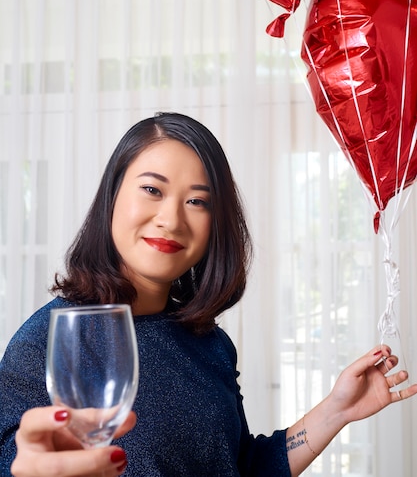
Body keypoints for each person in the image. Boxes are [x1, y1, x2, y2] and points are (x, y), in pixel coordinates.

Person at [0, 111, 416, 477]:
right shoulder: (50, 340)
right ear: (112, 196)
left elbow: (240, 466)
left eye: (197, 201)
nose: (171, 219)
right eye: (152, 190)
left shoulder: (210, 342)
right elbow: (20, 460)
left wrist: (337, 410)